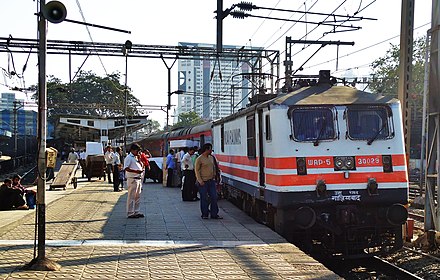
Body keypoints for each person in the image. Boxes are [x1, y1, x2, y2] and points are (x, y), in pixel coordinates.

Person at [194, 143, 222, 219]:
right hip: (203, 181)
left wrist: (216, 176)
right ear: (206, 149)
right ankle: (205, 214)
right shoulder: (199, 159)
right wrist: (200, 180)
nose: (211, 150)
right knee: (204, 198)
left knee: (214, 197)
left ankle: (214, 214)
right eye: (210, 149)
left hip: (211, 181)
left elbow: (214, 167)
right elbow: (197, 170)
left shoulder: (211, 158)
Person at [123, 143, 144, 218]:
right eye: (137, 151)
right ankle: (130, 212)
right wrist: (136, 171)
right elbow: (126, 168)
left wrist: (139, 160)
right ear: (132, 150)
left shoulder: (136, 158)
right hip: (132, 179)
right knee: (131, 196)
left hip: (138, 179)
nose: (138, 153)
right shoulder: (128, 158)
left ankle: (136, 211)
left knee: (137, 196)